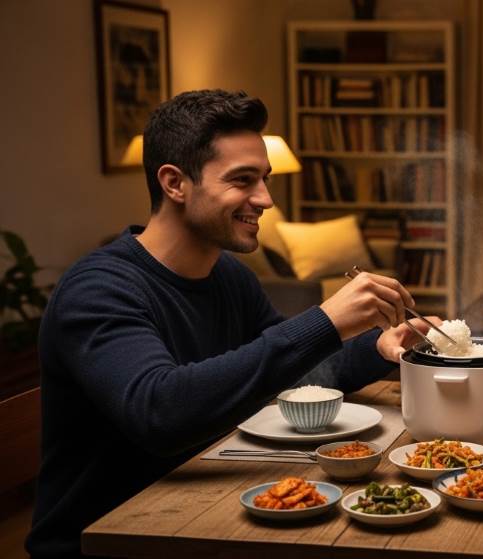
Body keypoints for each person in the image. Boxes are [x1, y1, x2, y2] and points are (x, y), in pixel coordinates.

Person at [26, 90, 432, 558]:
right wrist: (324, 321)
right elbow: (161, 413)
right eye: (243, 180)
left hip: (203, 515)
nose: (265, 199)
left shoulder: (228, 275)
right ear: (175, 183)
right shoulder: (99, 289)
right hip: (109, 540)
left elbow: (299, 374)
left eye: (264, 179)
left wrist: (379, 346)